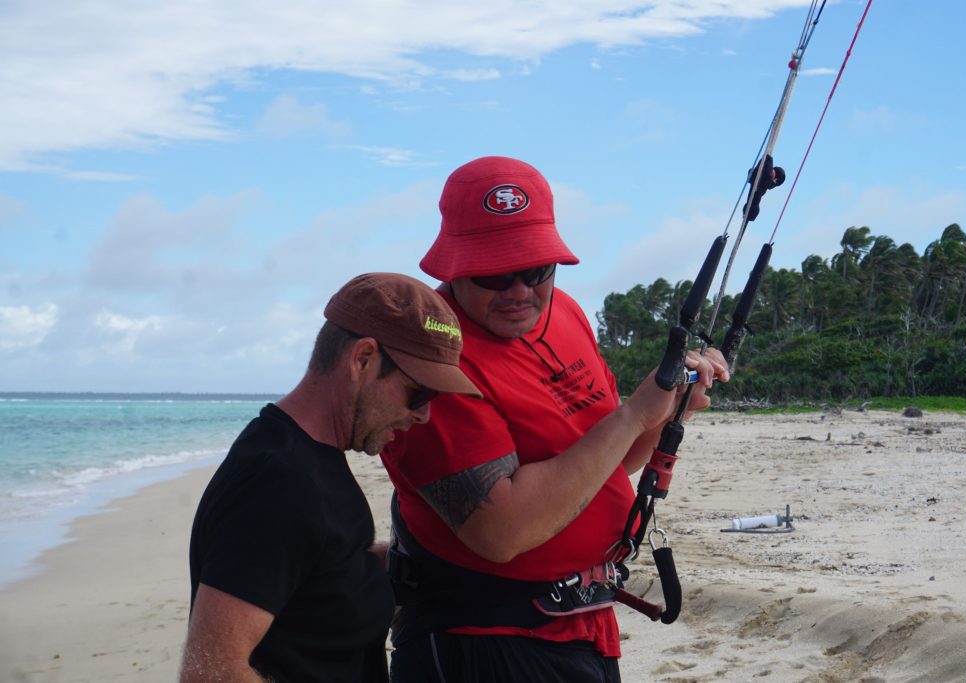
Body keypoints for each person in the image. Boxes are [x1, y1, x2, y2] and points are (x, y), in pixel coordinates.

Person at [380, 156, 730, 682]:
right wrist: (634, 414)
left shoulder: (563, 312)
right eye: (495, 273)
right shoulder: (433, 357)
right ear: (454, 265)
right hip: (483, 643)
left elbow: (612, 461)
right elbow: (502, 530)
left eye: (536, 267)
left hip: (582, 626)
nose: (519, 290)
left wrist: (664, 412)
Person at [180, 273, 481, 683]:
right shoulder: (276, 482)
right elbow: (210, 672)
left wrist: (402, 564)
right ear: (362, 360)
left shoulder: (311, 460)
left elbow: (309, 569)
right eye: (419, 393)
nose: (424, 415)